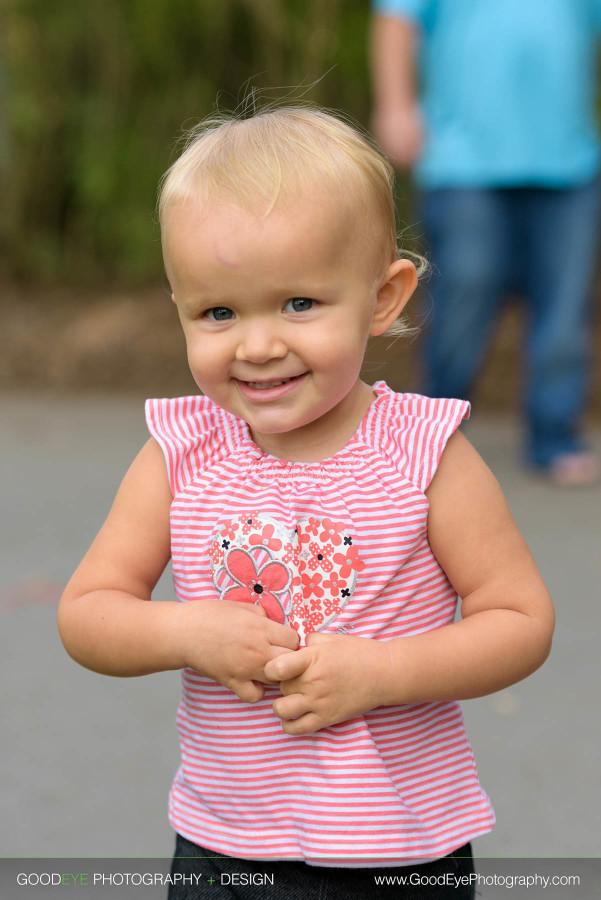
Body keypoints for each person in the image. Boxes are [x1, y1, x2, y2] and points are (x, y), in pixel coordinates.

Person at [57, 106, 554, 898]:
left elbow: (519, 620)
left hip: (398, 846)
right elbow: (88, 612)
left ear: (384, 297)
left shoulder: (423, 452)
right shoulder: (180, 453)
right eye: (218, 312)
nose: (256, 345)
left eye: (298, 305)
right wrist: (182, 628)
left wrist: (385, 672)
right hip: (225, 842)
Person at [370, 0, 601, 486]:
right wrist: (395, 105)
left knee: (564, 308)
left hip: (569, 162)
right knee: (462, 295)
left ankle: (555, 433)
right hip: (464, 162)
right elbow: (396, 18)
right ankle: (432, 427)